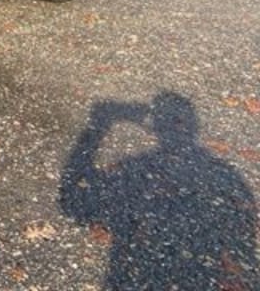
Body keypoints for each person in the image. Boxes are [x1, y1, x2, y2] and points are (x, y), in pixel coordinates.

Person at [60, 92, 258, 290]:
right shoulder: (226, 177)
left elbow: (73, 201)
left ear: (153, 128)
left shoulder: (132, 170)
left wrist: (100, 123)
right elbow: (244, 240)